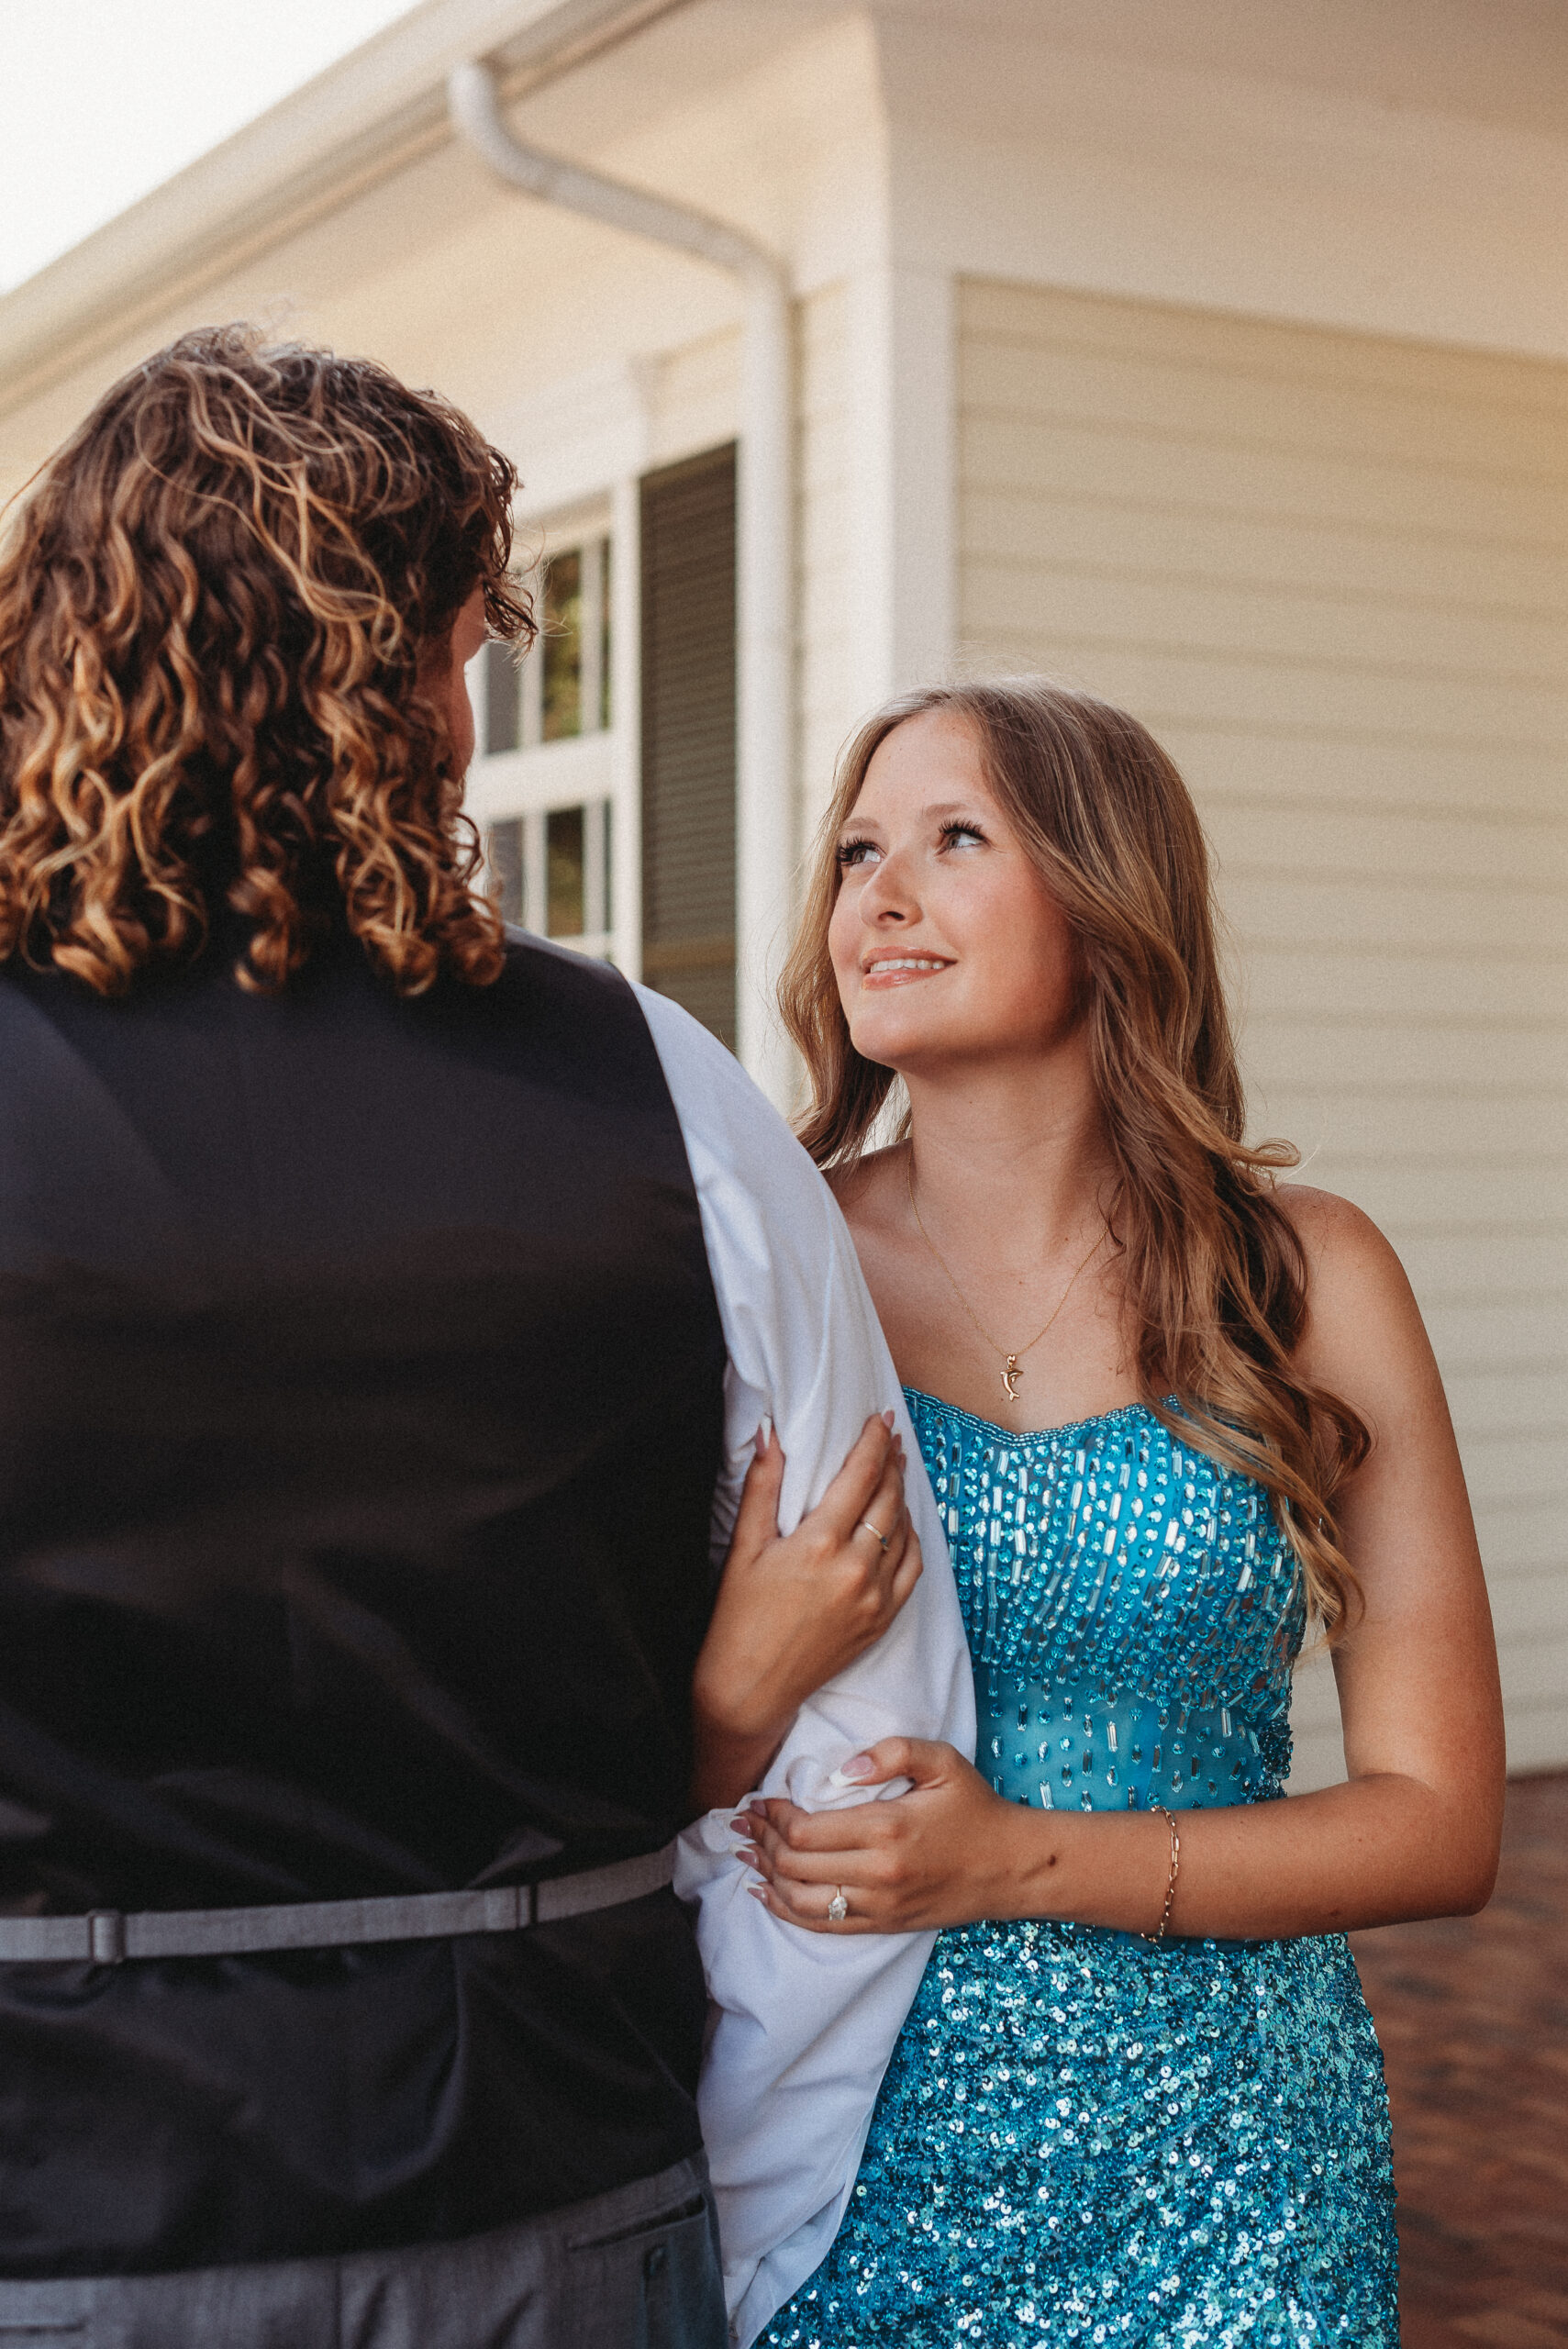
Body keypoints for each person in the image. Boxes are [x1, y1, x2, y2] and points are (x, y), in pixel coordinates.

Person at [0, 328, 973, 2349]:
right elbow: (870, 1741)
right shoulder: (663, 1092)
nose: (470, 711)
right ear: (367, 682)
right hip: (560, 2193)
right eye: (455, 651)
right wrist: (721, 2222)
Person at [736, 681, 1506, 2347]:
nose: (878, 891)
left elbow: (1442, 1825)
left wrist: (1016, 1860)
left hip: (1237, 2162)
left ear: (1105, 898)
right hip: (848, 2145)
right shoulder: (766, 1271)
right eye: (858, 849)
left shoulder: (1306, 1278)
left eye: (954, 840)